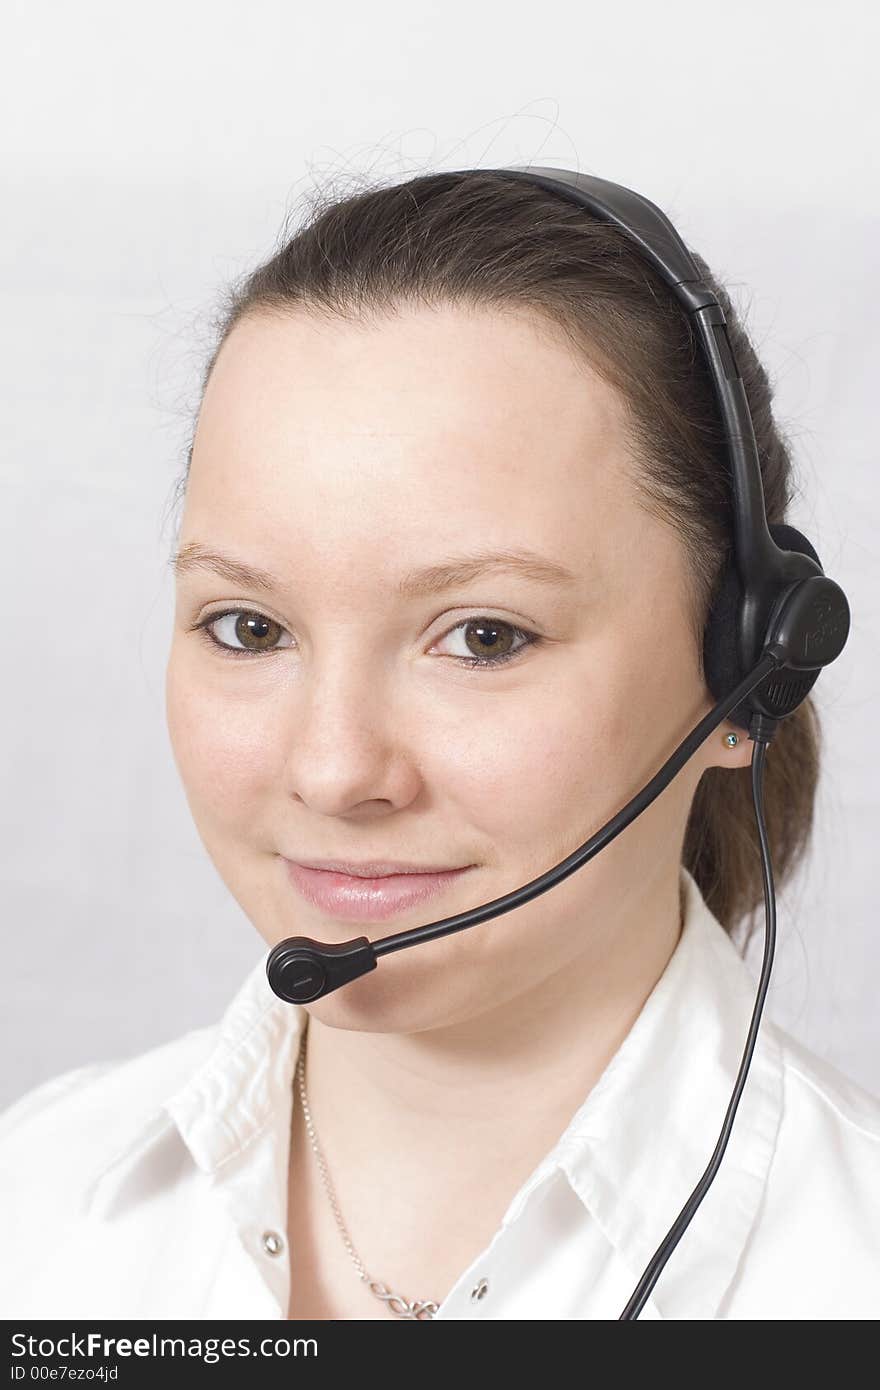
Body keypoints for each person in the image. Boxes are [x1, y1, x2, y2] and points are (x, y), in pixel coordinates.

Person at [1, 169, 878, 1322]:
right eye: (249, 627)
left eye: (482, 636)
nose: (334, 769)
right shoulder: (39, 1198)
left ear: (746, 676)